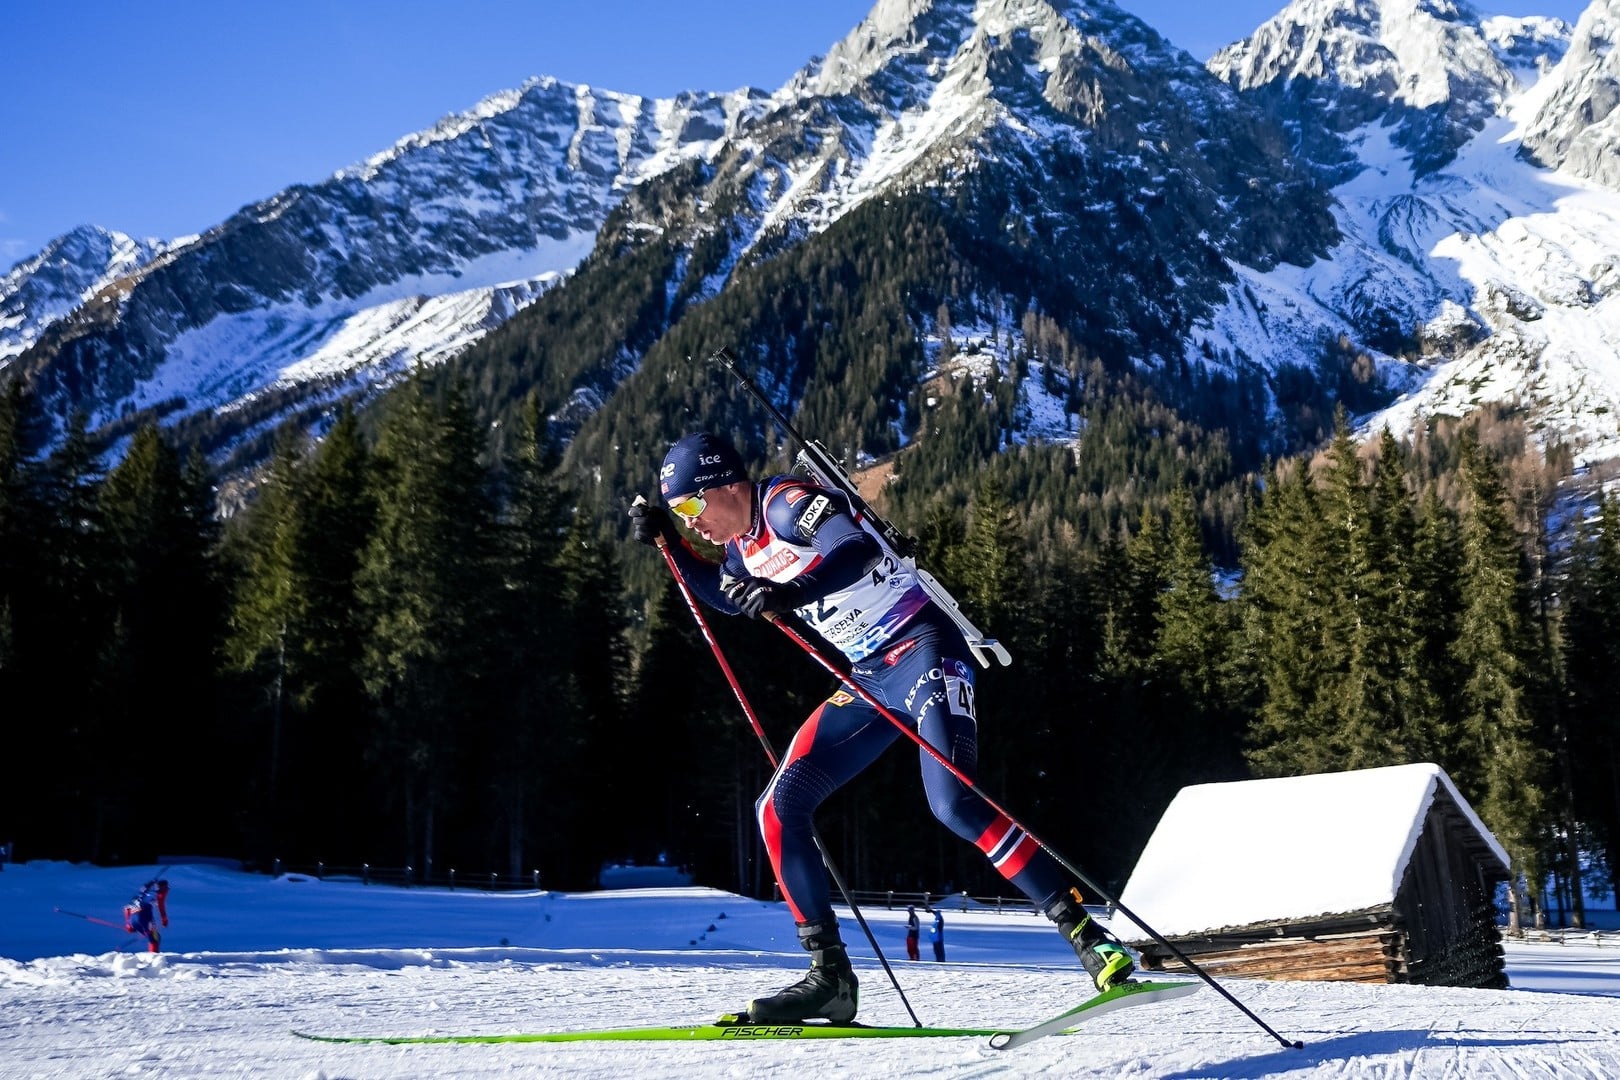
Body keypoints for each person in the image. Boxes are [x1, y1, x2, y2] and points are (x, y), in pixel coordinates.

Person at [627, 432, 1135, 1025]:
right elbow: (722, 590)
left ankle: (1087, 932)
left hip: (924, 645)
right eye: (681, 515)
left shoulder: (785, 503)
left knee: (954, 802)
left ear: (726, 485)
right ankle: (830, 979)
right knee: (777, 809)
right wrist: (669, 545)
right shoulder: (741, 549)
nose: (693, 524)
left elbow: (854, 551)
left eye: (690, 507)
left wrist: (785, 593)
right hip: (870, 676)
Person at [124, 879, 169, 953]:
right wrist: (164, 919)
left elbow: (127, 908)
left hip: (133, 919)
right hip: (145, 918)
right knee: (155, 938)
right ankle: (154, 958)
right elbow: (161, 907)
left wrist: (129, 924)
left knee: (152, 936)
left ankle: (153, 957)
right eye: (166, 888)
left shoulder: (141, 894)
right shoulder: (157, 896)